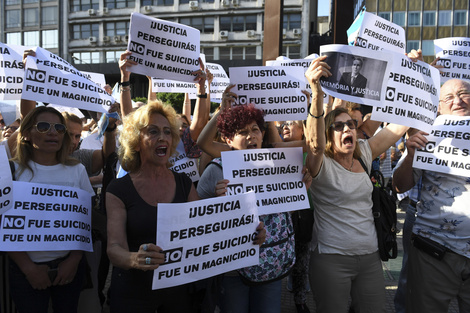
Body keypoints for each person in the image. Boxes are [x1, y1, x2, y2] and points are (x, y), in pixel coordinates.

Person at [304, 55, 408, 312]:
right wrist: (316, 92)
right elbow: (314, 142)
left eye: (350, 124)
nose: (346, 130)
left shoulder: (363, 151)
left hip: (370, 257)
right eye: (337, 127)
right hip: (331, 259)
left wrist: (413, 78)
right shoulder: (320, 161)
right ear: (329, 134)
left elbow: (399, 126)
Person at [197, 87, 308, 313]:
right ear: (228, 139)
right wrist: (217, 205)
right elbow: (199, 222)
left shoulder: (278, 163)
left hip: (271, 262)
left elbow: (313, 146)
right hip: (233, 268)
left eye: (255, 129)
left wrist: (301, 187)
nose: (251, 136)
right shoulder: (217, 169)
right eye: (242, 131)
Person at [105, 99, 201, 312]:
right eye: (153, 131)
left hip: (178, 293)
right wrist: (134, 259)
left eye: (168, 132)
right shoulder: (118, 189)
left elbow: (204, 233)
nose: (163, 137)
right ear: (136, 142)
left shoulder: (185, 183)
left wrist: (247, 235)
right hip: (133, 294)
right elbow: (113, 249)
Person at [393, 78, 470, 313]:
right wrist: (411, 154)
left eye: (463, 94)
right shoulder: (427, 137)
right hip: (433, 252)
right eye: (448, 98)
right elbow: (399, 186)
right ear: (438, 107)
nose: (457, 101)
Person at [7, 106, 94, 313]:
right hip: (25, 270)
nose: (53, 132)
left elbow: (84, 222)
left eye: (59, 128)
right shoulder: (11, 171)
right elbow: (5, 225)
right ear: (26, 134)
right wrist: (29, 268)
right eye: (44, 126)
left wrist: (74, 259)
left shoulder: (77, 170)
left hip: (69, 268)